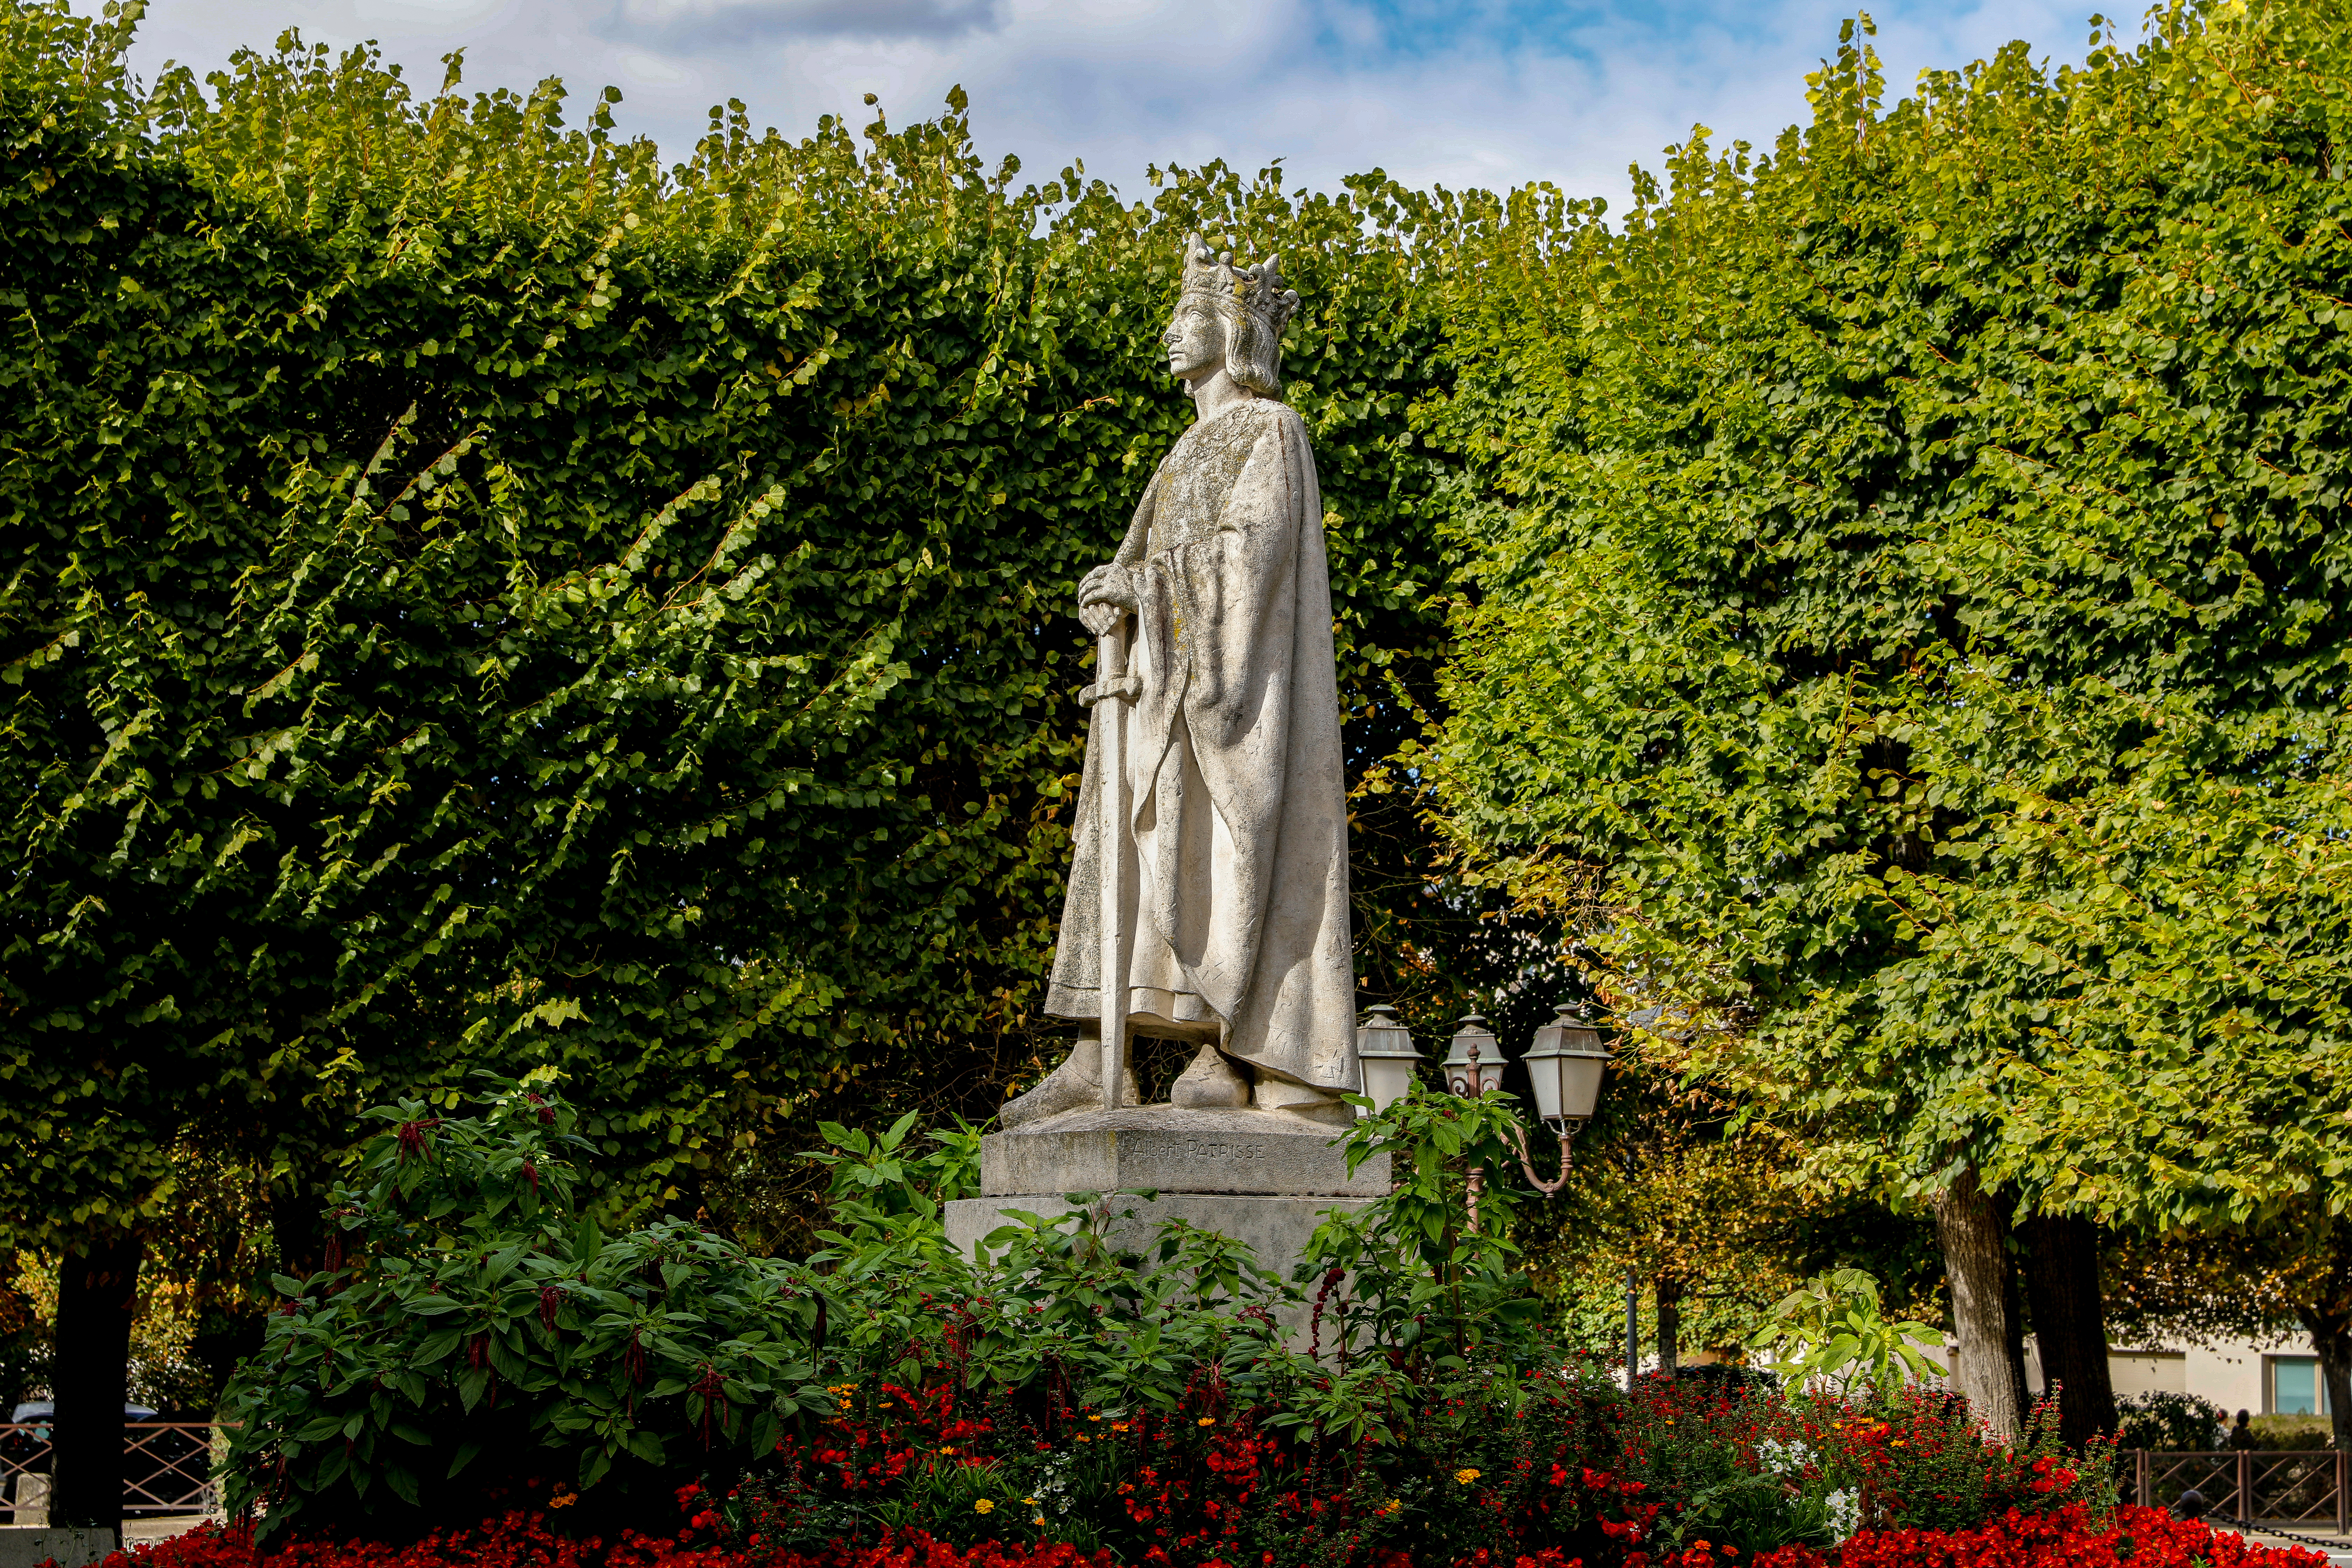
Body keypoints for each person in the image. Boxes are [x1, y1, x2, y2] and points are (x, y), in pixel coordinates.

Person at [1002, 236, 1357, 1128]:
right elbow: (1142, 555)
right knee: (1125, 841)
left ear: (1230, 331)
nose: (1170, 333)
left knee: (1216, 857)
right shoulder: (1181, 452)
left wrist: (1149, 589)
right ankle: (1100, 1052)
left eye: (1187, 316)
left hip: (1227, 698)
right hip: (1158, 686)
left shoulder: (1272, 432)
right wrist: (1113, 591)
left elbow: (1255, 557)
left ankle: (1223, 1046)